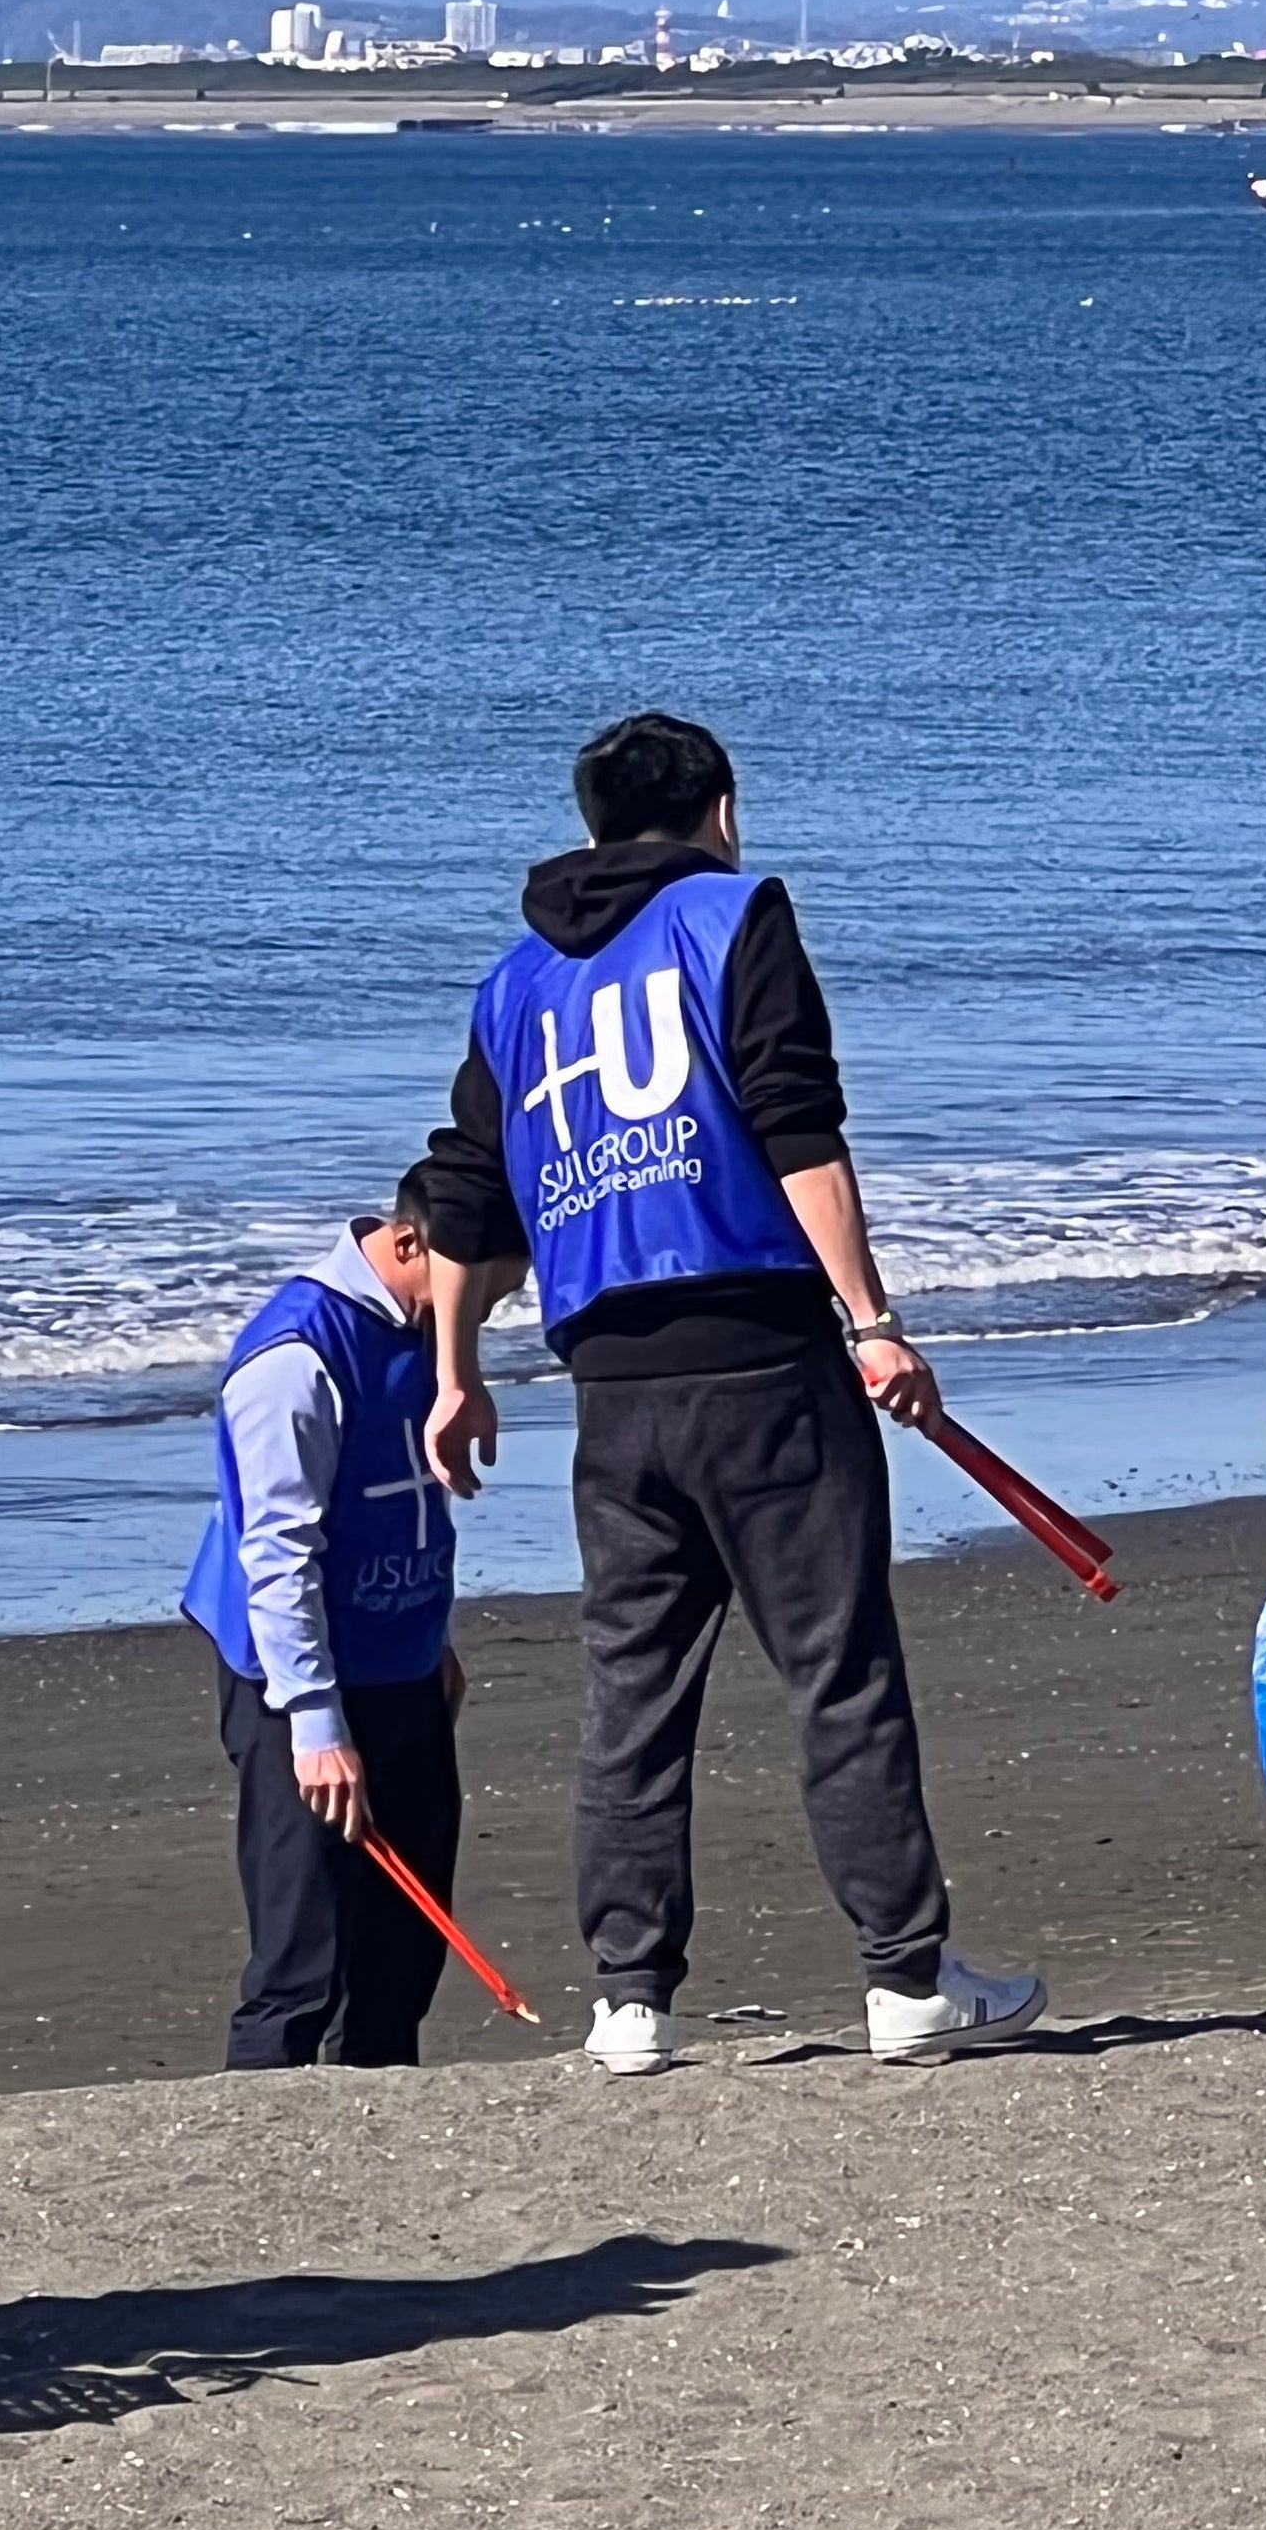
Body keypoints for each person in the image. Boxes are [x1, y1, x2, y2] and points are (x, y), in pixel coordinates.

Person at [414, 711, 1046, 2075]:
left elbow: (469, 1189)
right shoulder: (732, 914)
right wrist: (873, 1319)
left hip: (612, 1384)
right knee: (836, 1669)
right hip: (759, 1347)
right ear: (723, 811)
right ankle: (906, 1977)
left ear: (590, 827)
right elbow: (793, 1115)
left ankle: (631, 1999)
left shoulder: (519, 981)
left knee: (632, 1688)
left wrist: (455, 1371)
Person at [181, 1182, 467, 2069]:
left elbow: (413, 1504)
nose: (491, 1302)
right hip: (296, 1677)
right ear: (413, 1245)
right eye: (483, 1277)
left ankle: (379, 2141)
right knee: (303, 1958)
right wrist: (313, 1718)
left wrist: (433, 1640)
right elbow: (278, 1553)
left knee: (404, 1953)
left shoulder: (432, 1336)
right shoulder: (295, 1355)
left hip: (404, 1665)